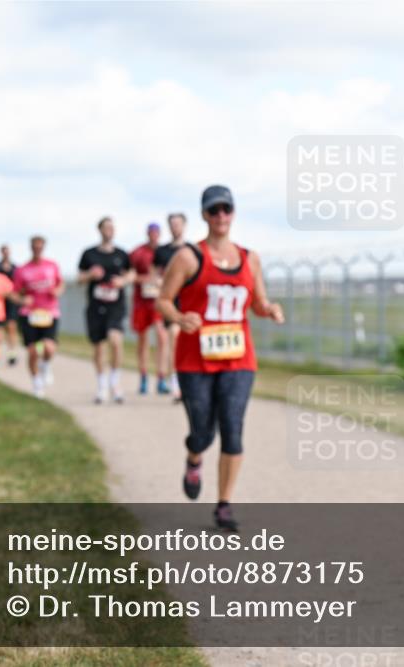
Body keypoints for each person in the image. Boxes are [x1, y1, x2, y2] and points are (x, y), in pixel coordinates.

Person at [157, 185, 284, 532]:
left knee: (232, 429)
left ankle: (224, 505)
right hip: (195, 360)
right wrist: (180, 317)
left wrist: (269, 309)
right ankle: (194, 456)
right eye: (214, 210)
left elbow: (257, 303)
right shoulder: (187, 257)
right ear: (204, 215)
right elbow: (163, 299)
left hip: (238, 359)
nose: (221, 216)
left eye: (226, 209)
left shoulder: (249, 258)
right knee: (202, 431)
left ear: (234, 212)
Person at [78, 217, 134, 404]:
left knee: (116, 340)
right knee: (99, 346)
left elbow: (131, 274)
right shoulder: (89, 254)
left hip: (115, 305)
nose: (109, 230)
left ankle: (115, 382)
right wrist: (89, 275)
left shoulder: (121, 254)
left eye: (112, 227)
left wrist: (123, 281)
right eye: (106, 227)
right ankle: (101, 385)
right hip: (95, 306)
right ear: (99, 230)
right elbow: (79, 278)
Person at [11, 236, 64, 398]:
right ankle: (36, 383)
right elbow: (13, 293)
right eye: (35, 246)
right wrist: (22, 299)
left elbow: (61, 284)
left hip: (49, 313)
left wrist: (57, 291)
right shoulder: (22, 269)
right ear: (31, 247)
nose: (37, 249)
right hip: (30, 314)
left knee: (48, 347)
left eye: (40, 246)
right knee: (34, 350)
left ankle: (46, 364)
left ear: (44, 247)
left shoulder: (52, 265)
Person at [130, 222, 170, 394]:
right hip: (142, 302)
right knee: (143, 339)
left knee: (162, 337)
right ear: (147, 233)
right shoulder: (137, 252)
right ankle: (144, 376)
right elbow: (130, 275)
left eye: (156, 232)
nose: (153, 235)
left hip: (158, 302)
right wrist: (145, 279)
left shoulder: (163, 252)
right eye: (151, 232)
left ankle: (161, 377)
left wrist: (162, 282)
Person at [153, 212, 189, 397]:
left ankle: (186, 378)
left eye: (178, 224)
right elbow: (154, 274)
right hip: (171, 300)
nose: (175, 227)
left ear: (184, 226)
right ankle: (175, 381)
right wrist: (159, 282)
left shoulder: (191, 250)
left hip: (189, 300)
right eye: (172, 224)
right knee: (173, 336)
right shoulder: (162, 251)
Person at [0, 245, 21, 367]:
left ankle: (12, 353)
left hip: (11, 301)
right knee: (0, 329)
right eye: (4, 252)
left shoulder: (15, 268)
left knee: (11, 327)